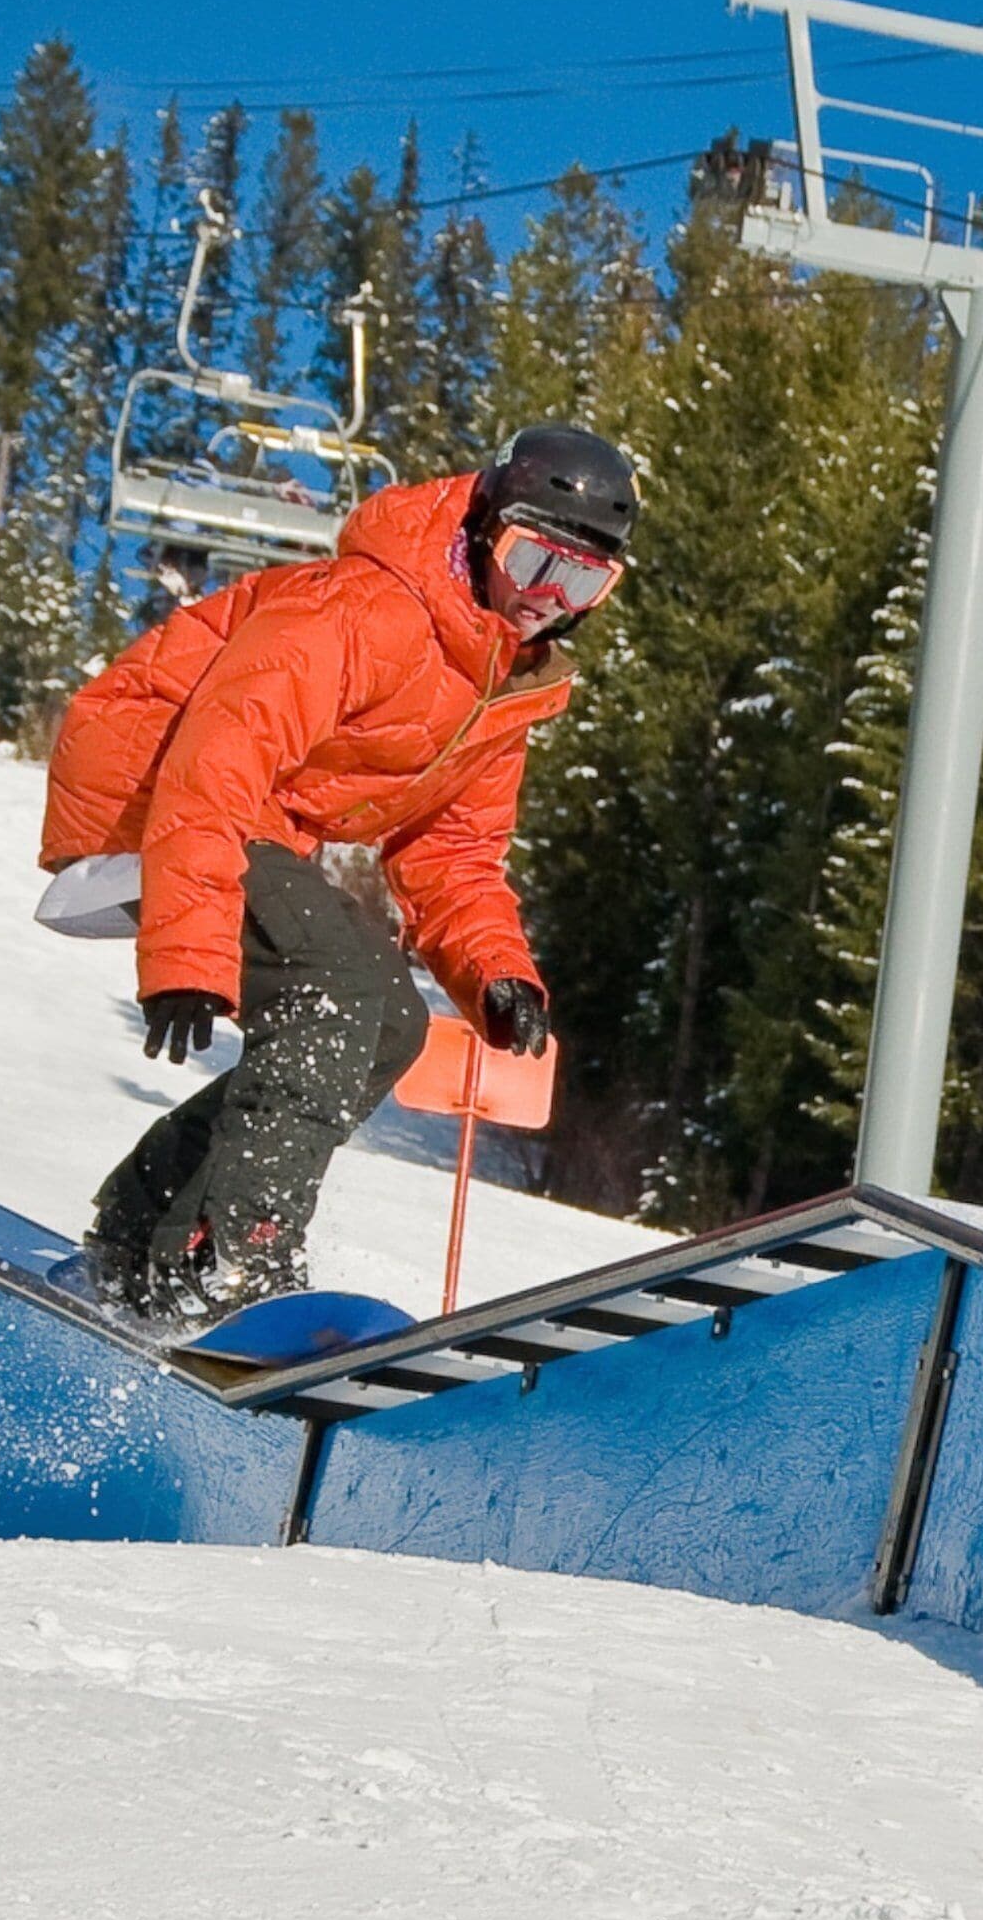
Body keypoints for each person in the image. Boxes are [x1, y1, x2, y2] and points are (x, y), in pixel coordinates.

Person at [35, 425, 637, 1324]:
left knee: (392, 1025)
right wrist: (188, 954)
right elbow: (217, 759)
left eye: (580, 581)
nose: (545, 599)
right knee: (335, 990)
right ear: (484, 529)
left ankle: (140, 1229)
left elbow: (453, 850)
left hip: (249, 819)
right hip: (151, 787)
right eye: (531, 561)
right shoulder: (366, 608)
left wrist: (496, 971)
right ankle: (239, 1257)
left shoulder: (504, 684)